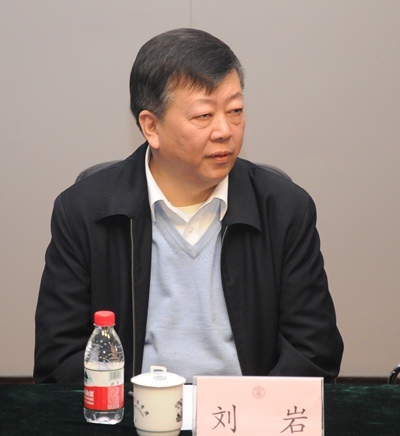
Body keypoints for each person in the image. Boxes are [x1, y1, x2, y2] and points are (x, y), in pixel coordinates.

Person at [34, 28, 343, 384]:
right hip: (133, 407)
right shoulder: (84, 212)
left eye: (235, 110)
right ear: (151, 126)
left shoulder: (284, 209)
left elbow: (313, 351)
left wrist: (252, 407)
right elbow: (59, 359)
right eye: (203, 116)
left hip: (247, 409)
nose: (225, 131)